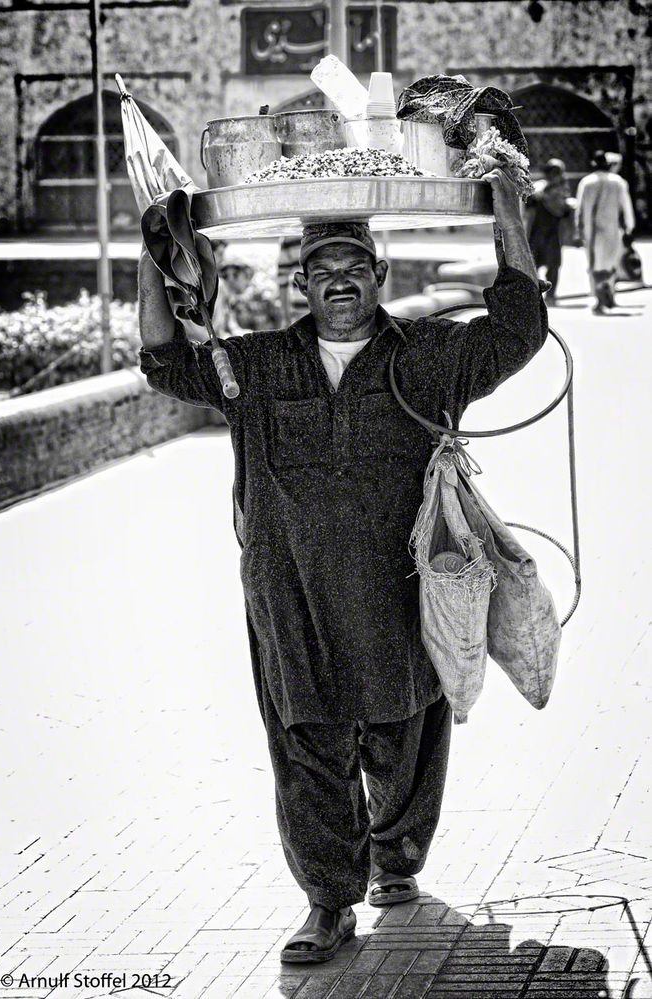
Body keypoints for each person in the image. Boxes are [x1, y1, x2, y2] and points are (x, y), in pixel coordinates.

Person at [137, 167, 548, 964]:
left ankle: (395, 855)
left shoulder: (429, 358)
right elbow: (162, 360)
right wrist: (157, 254)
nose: (338, 284)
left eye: (352, 269)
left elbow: (519, 331)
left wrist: (505, 213)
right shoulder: (250, 365)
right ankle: (328, 900)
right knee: (306, 741)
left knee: (408, 732)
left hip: (403, 591)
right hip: (290, 595)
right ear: (301, 283)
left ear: (378, 275)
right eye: (321, 272)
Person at [575, 149, 636, 314]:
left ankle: (600, 298)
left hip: (592, 232)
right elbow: (627, 207)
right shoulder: (618, 182)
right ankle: (608, 295)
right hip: (612, 230)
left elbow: (580, 210)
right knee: (610, 264)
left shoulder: (587, 182)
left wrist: (578, 230)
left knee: (595, 265)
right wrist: (629, 227)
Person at [525, 158, 574, 305]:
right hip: (537, 231)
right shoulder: (539, 187)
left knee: (553, 264)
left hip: (553, 233)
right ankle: (533, 294)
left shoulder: (562, 191)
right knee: (533, 265)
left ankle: (551, 295)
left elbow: (564, 212)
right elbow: (528, 207)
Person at [213, 244, 283, 336]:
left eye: (235, 275)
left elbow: (279, 322)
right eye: (225, 276)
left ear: (247, 275)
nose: (230, 280)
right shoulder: (223, 300)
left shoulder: (262, 296)